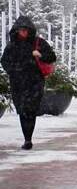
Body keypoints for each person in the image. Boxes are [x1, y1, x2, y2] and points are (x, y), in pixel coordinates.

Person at [1, 16, 56, 150]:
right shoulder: (12, 45)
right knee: (23, 110)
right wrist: (13, 71)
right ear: (17, 31)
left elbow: (52, 57)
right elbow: (4, 61)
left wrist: (40, 55)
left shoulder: (39, 43)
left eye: (26, 30)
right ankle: (27, 138)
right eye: (21, 30)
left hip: (35, 82)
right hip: (18, 82)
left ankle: (28, 138)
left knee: (30, 110)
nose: (24, 33)